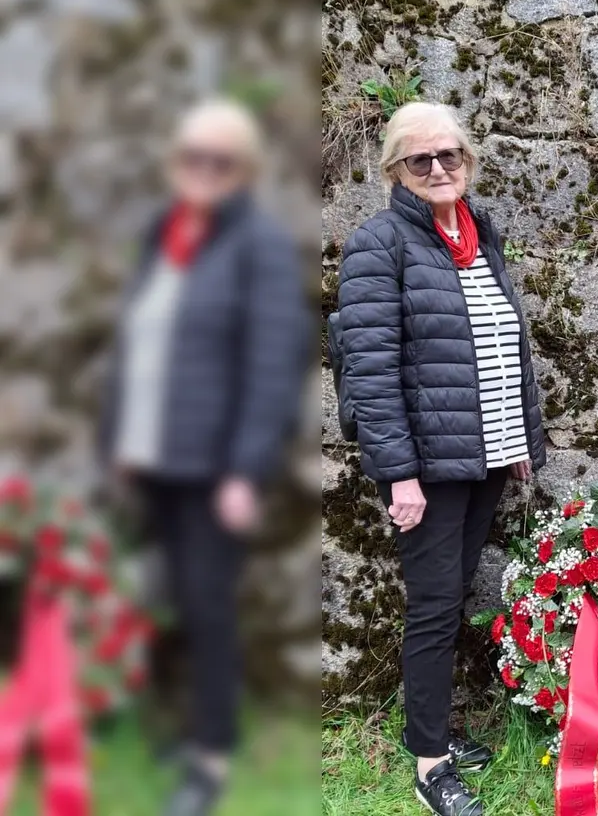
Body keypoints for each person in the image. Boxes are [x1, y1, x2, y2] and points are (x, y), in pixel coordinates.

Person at [98, 98, 310, 816]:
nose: (203, 172)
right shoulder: (167, 233)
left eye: (220, 161)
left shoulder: (259, 246)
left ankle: (211, 762)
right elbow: (137, 350)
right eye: (191, 158)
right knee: (169, 602)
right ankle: (182, 732)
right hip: (152, 458)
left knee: (210, 609)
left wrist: (245, 471)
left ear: (244, 170)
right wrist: (119, 445)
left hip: (212, 470)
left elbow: (272, 367)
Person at [337, 101, 547, 816]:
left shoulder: (479, 235)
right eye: (419, 160)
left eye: (448, 156)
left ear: (468, 160)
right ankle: (431, 765)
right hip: (427, 468)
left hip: (486, 456)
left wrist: (520, 441)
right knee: (432, 609)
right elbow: (370, 369)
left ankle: (431, 732)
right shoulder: (379, 245)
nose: (437, 169)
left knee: (453, 599)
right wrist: (398, 474)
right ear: (396, 169)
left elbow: (502, 348)